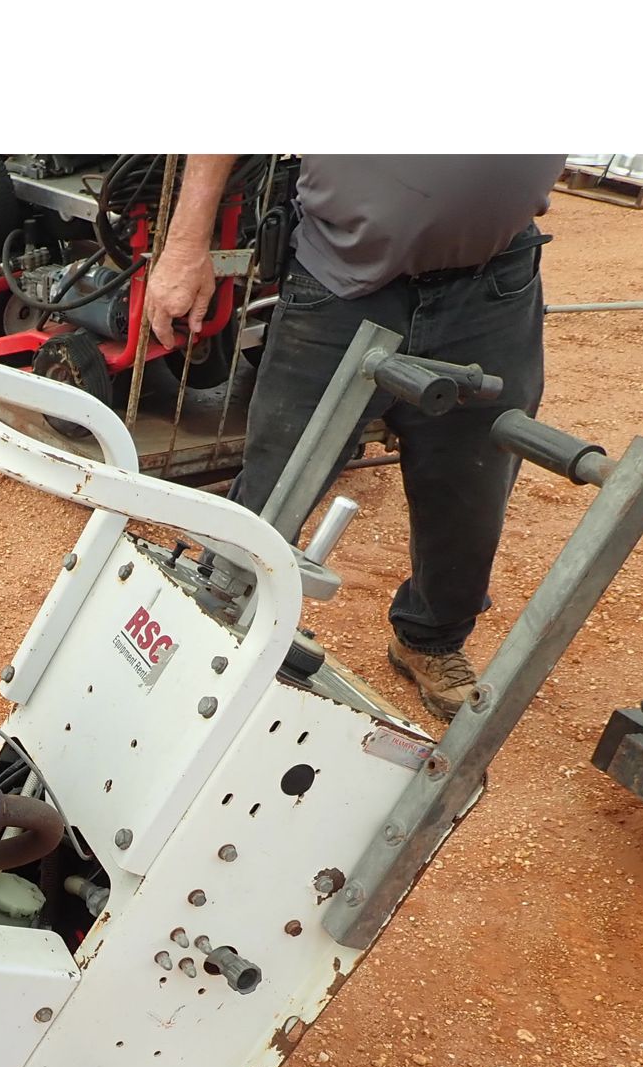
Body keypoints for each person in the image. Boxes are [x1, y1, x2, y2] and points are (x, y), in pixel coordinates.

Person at [146, 154, 566, 719]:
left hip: (492, 284)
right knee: (279, 479)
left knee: (471, 483)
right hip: (342, 279)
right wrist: (183, 246)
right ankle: (214, 616)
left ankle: (431, 639)